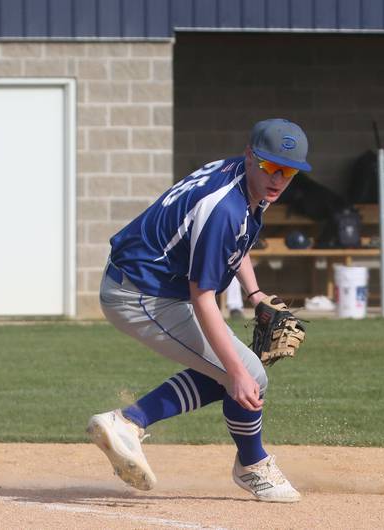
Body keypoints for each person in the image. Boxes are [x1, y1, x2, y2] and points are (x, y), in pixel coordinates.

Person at [87, 118, 309, 503]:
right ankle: (251, 465)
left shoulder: (243, 180)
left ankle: (132, 422)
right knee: (247, 373)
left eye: (287, 171)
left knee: (233, 369)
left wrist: (254, 295)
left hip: (144, 284)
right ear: (250, 156)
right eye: (271, 166)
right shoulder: (225, 206)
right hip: (140, 295)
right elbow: (203, 295)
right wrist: (237, 373)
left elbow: (234, 245)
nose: (278, 178)